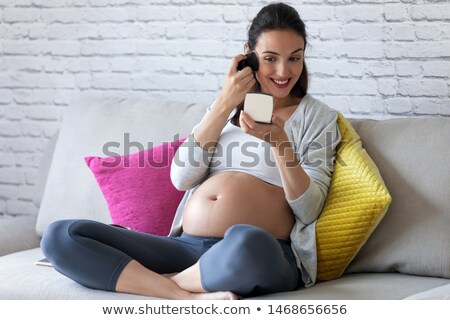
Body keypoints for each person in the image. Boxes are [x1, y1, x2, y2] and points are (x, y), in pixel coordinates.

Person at [41, 3, 341, 300]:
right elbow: (182, 178)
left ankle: (157, 283)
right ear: (248, 54)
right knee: (62, 236)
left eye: (295, 58)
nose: (282, 71)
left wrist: (279, 143)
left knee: (247, 240)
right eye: (270, 58)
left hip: (266, 250)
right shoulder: (224, 110)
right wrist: (225, 102)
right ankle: (186, 293)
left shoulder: (317, 117)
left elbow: (309, 209)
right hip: (186, 247)